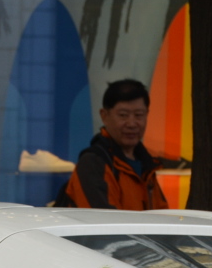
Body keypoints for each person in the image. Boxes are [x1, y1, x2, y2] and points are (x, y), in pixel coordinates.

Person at [56, 79, 168, 210]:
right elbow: (103, 223)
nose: (131, 124)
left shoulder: (147, 165)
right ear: (104, 116)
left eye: (139, 115)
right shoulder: (93, 164)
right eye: (123, 115)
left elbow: (161, 216)